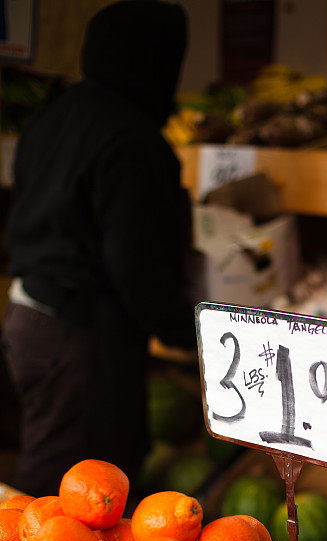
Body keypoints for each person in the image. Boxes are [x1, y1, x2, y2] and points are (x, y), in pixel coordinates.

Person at [1, 0, 196, 496]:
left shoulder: (52, 118)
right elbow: (137, 264)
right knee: (61, 498)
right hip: (78, 338)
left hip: (29, 318)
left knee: (65, 484)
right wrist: (188, 332)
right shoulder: (134, 142)